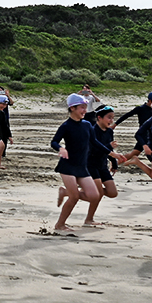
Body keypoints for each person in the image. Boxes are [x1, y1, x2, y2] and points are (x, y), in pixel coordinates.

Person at [52, 94, 101, 232]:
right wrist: (61, 148)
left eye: (85, 108)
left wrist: (111, 154)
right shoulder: (66, 126)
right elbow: (54, 141)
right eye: (82, 108)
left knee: (94, 196)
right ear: (72, 108)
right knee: (74, 197)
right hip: (67, 166)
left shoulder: (87, 125)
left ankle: (65, 192)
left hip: (81, 166)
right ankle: (60, 225)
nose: (85, 110)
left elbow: (95, 142)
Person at [83, 105, 123, 225]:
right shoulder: (93, 131)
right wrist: (110, 147)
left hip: (102, 165)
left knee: (112, 193)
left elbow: (108, 150)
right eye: (109, 117)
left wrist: (114, 163)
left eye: (113, 118)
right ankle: (89, 219)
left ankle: (70, 192)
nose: (111, 120)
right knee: (98, 194)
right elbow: (95, 149)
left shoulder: (110, 131)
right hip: (91, 164)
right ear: (99, 118)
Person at [113, 91, 152, 168]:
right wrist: (115, 124)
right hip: (143, 136)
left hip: (151, 136)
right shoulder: (141, 109)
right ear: (149, 101)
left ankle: (114, 164)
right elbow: (126, 115)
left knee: (134, 153)